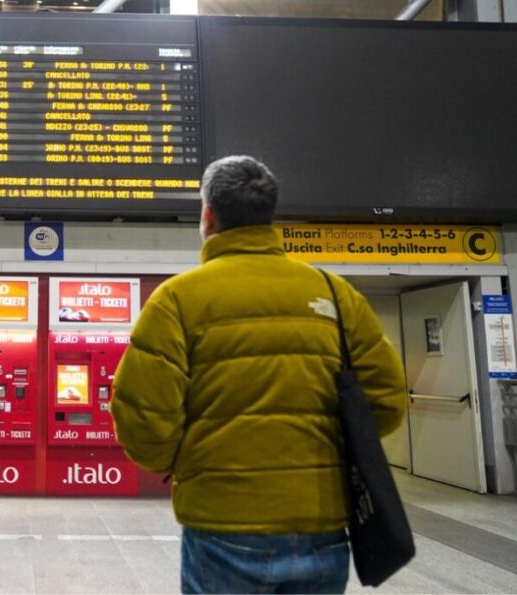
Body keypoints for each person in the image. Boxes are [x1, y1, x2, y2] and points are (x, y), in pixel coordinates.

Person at [110, 156, 408, 594]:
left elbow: (143, 418)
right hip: (322, 522)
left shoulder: (176, 300)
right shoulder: (333, 293)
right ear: (270, 214)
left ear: (208, 214)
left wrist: (185, 463)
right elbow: (386, 401)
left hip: (221, 521)